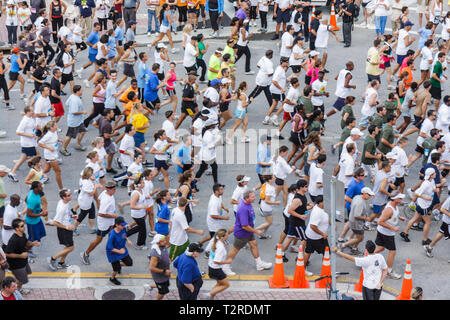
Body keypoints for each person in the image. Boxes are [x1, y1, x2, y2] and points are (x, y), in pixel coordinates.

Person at [224, 190, 272, 275]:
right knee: (235, 250)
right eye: (252, 197)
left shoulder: (248, 204)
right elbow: (244, 226)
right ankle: (226, 267)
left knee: (254, 245)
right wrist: (256, 231)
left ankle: (259, 264)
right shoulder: (243, 208)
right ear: (246, 198)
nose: (254, 198)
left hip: (248, 232)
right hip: (242, 233)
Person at [80, 181, 118, 265]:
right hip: (104, 224)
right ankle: (85, 254)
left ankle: (112, 251)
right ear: (109, 190)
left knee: (112, 235)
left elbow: (98, 199)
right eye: (114, 189)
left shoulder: (105, 193)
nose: (115, 190)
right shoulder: (106, 200)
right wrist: (113, 216)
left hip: (110, 222)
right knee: (98, 240)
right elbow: (100, 213)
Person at [374, 191, 406, 279]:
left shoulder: (394, 205)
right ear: (395, 200)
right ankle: (388, 271)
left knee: (381, 248)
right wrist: (393, 228)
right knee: (392, 251)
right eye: (400, 198)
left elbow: (392, 215)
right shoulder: (389, 209)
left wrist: (400, 217)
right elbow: (380, 221)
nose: (401, 199)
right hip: (387, 233)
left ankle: (367, 259)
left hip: (383, 232)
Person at [5, 218, 40, 294]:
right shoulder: (13, 240)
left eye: (23, 225)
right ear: (17, 228)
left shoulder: (22, 234)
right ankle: (16, 291)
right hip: (16, 265)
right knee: (22, 280)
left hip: (23, 261)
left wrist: (33, 243)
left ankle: (14, 284)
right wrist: (20, 256)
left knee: (25, 274)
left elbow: (26, 242)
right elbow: (7, 254)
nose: (24, 227)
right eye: (22, 226)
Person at [338, 188, 375, 255]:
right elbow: (356, 215)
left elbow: (354, 207)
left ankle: (354, 248)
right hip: (357, 223)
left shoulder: (356, 197)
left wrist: (364, 213)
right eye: (369, 195)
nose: (370, 197)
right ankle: (343, 245)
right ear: (364, 193)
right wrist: (366, 218)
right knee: (360, 238)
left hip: (353, 221)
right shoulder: (360, 202)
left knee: (359, 236)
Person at [47, 189, 75, 270]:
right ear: (64, 197)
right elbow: (55, 222)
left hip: (67, 228)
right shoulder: (61, 208)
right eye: (68, 195)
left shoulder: (65, 202)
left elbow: (67, 213)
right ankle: (53, 258)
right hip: (64, 230)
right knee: (71, 248)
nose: (71, 196)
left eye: (70, 194)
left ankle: (61, 263)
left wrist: (71, 216)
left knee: (67, 247)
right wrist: (66, 227)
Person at [303, 195, 330, 272]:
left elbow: (326, 216)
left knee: (309, 252)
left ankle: (326, 269)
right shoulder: (317, 213)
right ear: (320, 203)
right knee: (325, 253)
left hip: (316, 236)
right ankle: (326, 270)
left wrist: (331, 223)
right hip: (315, 237)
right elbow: (312, 226)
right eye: (324, 201)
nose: (326, 203)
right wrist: (323, 234)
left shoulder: (321, 208)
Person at [106, 216, 133, 285]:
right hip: (113, 253)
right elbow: (109, 247)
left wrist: (127, 240)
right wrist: (119, 251)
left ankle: (119, 265)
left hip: (122, 249)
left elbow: (124, 234)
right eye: (121, 225)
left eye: (124, 225)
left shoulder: (122, 229)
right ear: (116, 225)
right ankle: (112, 278)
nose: (123, 227)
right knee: (116, 269)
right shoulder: (112, 234)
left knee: (129, 263)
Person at [148, 234, 171, 300]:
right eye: (163, 241)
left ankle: (151, 286)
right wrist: (164, 271)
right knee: (162, 292)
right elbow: (151, 268)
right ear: (158, 242)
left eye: (165, 240)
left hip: (165, 275)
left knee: (166, 285)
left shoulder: (163, 246)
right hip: (160, 277)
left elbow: (168, 244)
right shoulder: (155, 254)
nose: (165, 241)